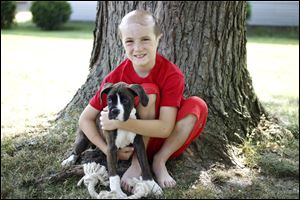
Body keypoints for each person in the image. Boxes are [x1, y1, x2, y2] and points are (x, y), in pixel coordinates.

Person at [79, 10, 208, 192]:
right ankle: (136, 162)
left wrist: (118, 121)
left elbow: (164, 128)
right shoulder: (116, 77)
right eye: (130, 41)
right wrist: (110, 151)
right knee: (148, 90)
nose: (138, 48)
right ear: (122, 43)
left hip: (166, 139)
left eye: (145, 39)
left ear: (158, 38)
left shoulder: (171, 74)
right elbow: (84, 119)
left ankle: (158, 161)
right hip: (132, 145)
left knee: (197, 105)